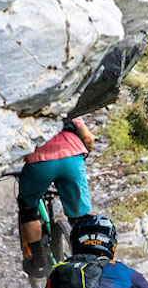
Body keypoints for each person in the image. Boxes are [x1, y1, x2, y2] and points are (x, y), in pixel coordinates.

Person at [18, 117, 95, 278]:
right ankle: (89, 259)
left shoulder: (24, 114)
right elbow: (88, 138)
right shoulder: (67, 109)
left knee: (28, 208)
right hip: (72, 158)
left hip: (39, 162)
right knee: (80, 215)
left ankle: (37, 262)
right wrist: (81, 158)